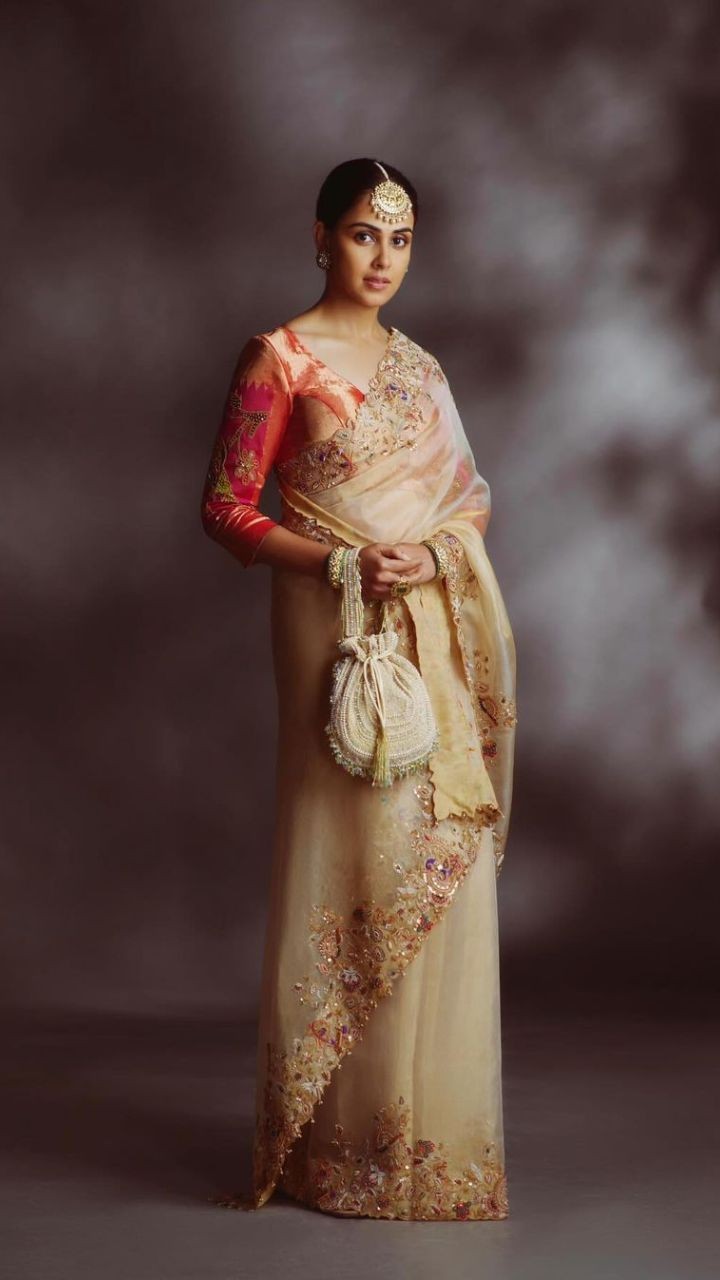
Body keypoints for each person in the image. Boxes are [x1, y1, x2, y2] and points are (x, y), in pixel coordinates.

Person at [200, 158, 517, 1221]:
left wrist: (433, 555)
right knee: (353, 850)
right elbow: (225, 507)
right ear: (320, 238)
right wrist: (337, 563)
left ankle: (424, 1141)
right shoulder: (279, 358)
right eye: (363, 234)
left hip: (423, 627)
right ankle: (334, 1146)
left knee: (431, 858)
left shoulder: (421, 370)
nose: (384, 258)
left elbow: (468, 499)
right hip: (328, 632)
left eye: (402, 238)